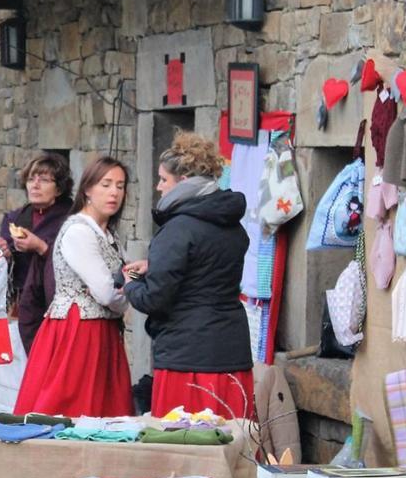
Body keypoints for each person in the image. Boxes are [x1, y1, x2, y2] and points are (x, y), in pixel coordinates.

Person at [123, 132, 253, 419]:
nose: (158, 187)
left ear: (183, 182)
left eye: (163, 179)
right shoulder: (231, 225)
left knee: (184, 449)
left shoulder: (178, 229)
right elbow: (205, 270)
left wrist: (129, 283)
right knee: (230, 446)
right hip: (231, 353)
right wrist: (154, 264)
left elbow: (154, 298)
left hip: (189, 359)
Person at [13, 156, 133, 417]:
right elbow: (106, 292)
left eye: (120, 186)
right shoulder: (79, 231)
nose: (114, 192)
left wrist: (122, 288)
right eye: (106, 184)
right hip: (77, 333)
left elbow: (116, 292)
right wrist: (123, 287)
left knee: (105, 412)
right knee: (70, 410)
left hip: (103, 331)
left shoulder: (108, 235)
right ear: (88, 189)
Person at [0, 153, 75, 351]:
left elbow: (76, 263)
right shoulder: (15, 218)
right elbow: (5, 269)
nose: (35, 185)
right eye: (31, 179)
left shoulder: (72, 218)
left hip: (59, 304)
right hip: (23, 304)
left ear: (59, 188)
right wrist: (4, 254)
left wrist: (41, 247)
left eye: (44, 180)